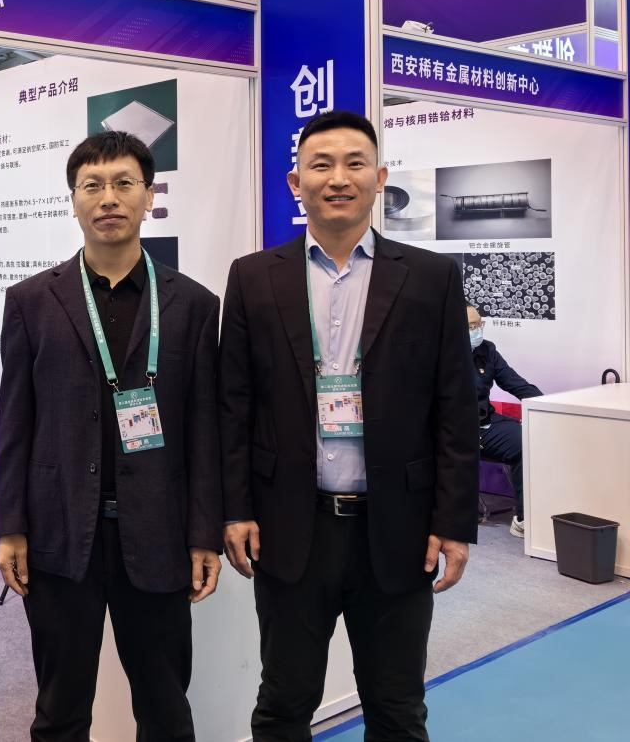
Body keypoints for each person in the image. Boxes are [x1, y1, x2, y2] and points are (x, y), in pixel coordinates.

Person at [218, 111, 480, 741]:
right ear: (296, 182)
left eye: (355, 163)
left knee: (397, 707)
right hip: (290, 526)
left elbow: (454, 408)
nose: (339, 178)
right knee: (284, 703)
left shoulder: (432, 278)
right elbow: (234, 405)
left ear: (380, 177)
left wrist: (452, 522)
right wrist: (236, 508)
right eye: (321, 165)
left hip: (399, 528)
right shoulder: (253, 277)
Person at [0, 130, 223, 742]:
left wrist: (204, 533)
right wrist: (10, 526)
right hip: (60, 535)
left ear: (150, 196)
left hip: (158, 534)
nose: (108, 198)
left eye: (124, 184)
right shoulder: (31, 302)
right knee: (60, 710)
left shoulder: (194, 305)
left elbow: (205, 430)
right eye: (92, 186)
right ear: (73, 200)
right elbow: (15, 423)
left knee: (166, 710)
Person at [467, 305, 542, 537]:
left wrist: (547, 407)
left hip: (486, 421)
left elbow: (516, 384)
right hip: (456, 428)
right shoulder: (439, 356)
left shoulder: (487, 351)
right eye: (471, 326)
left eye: (479, 324)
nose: (477, 330)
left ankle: (524, 518)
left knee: (527, 440)